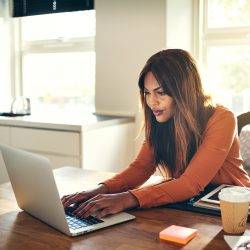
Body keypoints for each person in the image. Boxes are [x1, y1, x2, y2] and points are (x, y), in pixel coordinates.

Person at [62, 49, 250, 219]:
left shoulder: (222, 118)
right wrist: (99, 190)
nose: (152, 102)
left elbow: (190, 184)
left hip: (233, 209)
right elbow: (141, 168)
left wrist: (126, 198)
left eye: (161, 92)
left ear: (184, 91)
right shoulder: (161, 118)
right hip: (190, 204)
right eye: (147, 92)